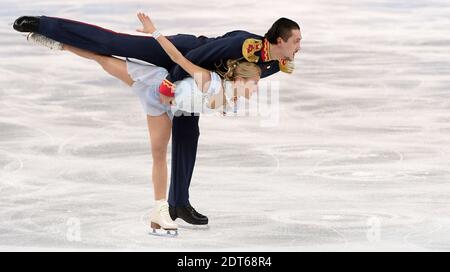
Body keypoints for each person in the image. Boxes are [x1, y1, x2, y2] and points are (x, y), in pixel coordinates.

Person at [13, 13, 301, 226]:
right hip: (183, 56)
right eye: (296, 41)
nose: (300, 46)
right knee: (116, 43)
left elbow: (245, 79)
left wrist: (225, 98)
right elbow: (198, 55)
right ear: (279, 40)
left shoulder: (276, 64)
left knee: (189, 136)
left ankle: (178, 204)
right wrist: (170, 84)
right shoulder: (244, 46)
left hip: (196, 86)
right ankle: (45, 26)